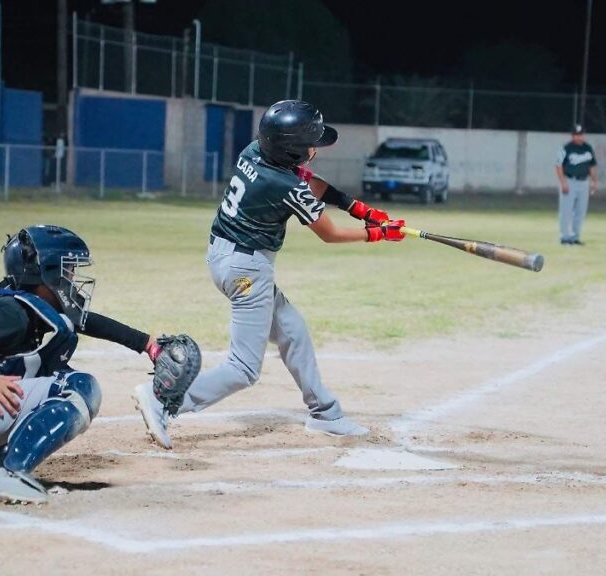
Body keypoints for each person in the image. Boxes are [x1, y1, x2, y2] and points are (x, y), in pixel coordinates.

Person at [134, 99, 405, 449]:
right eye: (310, 144)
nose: (314, 149)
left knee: (292, 330)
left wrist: (358, 208)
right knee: (244, 368)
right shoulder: (284, 186)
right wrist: (378, 232)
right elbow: (329, 233)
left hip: (225, 255)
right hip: (247, 269)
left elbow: (311, 183)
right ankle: (162, 400)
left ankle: (325, 413)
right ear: (291, 150)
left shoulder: (255, 152)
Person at [0, 225, 197, 503]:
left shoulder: (30, 307)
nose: (72, 279)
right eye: (67, 270)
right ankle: (7, 472)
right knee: (77, 387)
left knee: (44, 371)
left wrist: (147, 344)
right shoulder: (10, 314)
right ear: (44, 273)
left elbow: (89, 322)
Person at [555, 124, 598, 246]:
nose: (579, 137)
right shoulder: (566, 148)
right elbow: (558, 166)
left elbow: (591, 166)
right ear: (572, 135)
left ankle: (575, 237)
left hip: (584, 182)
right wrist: (563, 182)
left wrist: (594, 181)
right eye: (576, 135)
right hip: (570, 181)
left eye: (581, 135)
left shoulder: (588, 148)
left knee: (580, 211)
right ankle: (565, 237)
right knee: (566, 211)